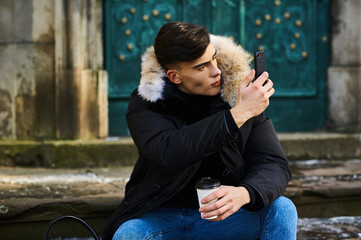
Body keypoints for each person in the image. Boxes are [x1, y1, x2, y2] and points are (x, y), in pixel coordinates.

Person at [102, 22, 298, 240]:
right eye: (201, 67)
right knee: (127, 235)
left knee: (282, 209)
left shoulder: (237, 96)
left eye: (214, 57)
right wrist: (237, 116)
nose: (216, 71)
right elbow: (168, 152)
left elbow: (273, 163)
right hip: (161, 218)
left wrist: (245, 193)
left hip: (223, 219)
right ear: (175, 76)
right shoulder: (147, 102)